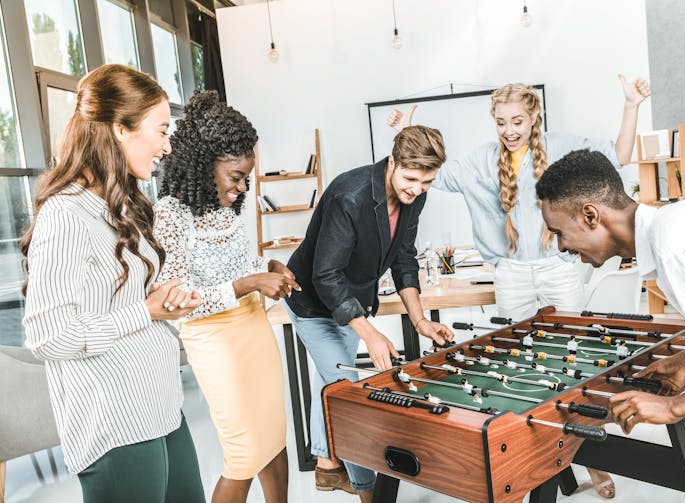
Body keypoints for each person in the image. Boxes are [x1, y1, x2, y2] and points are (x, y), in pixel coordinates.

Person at [388, 75, 652, 499]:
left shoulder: (563, 147)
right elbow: (426, 173)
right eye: (501, 123)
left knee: (574, 368)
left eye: (517, 121)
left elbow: (618, 156)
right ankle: (533, 455)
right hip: (510, 273)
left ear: (533, 119)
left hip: (559, 268)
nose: (509, 131)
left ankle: (594, 461)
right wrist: (405, 134)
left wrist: (631, 106)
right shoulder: (479, 161)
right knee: (520, 372)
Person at [21, 64, 205, 503]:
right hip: (114, 419)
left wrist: (160, 300)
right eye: (161, 130)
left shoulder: (120, 205)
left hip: (159, 405)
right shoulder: (67, 213)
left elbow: (113, 302)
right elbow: (48, 336)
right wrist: (145, 311)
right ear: (121, 129)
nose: (167, 144)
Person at [535, 148, 685, 502]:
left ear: (591, 215)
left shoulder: (677, 250)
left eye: (559, 231)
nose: (561, 246)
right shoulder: (679, 225)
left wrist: (672, 408)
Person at [284, 125, 455, 502]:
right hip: (312, 302)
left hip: (352, 301)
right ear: (392, 161)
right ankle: (369, 491)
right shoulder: (351, 194)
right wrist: (370, 333)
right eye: (411, 179)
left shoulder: (415, 195)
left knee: (333, 379)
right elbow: (325, 276)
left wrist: (420, 320)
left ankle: (327, 467)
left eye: (426, 183)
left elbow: (405, 258)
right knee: (353, 394)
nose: (417, 190)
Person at [154, 90, 298, 503]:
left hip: (252, 325)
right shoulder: (170, 213)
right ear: (203, 165)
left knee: (273, 436)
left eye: (246, 178)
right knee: (244, 452)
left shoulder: (224, 205)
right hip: (212, 339)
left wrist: (267, 268)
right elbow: (176, 301)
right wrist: (247, 285)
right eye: (235, 176)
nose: (241, 187)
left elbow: (240, 259)